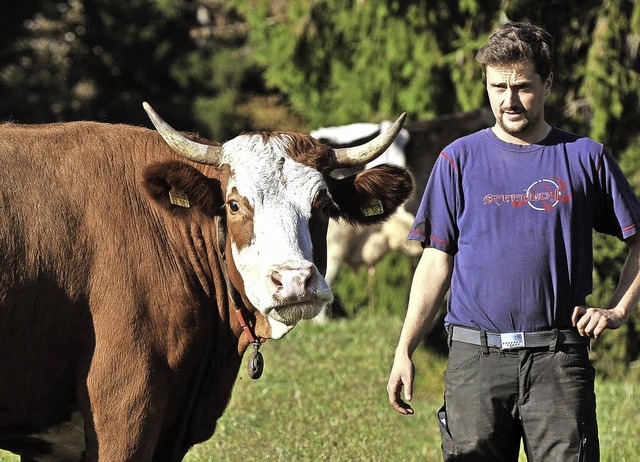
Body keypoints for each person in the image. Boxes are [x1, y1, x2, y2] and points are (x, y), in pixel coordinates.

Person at [386, 21, 640, 461]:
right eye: (497, 86)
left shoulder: (585, 158)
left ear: (548, 83)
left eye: (522, 86)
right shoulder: (458, 160)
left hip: (558, 361)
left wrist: (618, 309)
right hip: (475, 361)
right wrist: (404, 348)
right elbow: (435, 260)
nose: (509, 100)